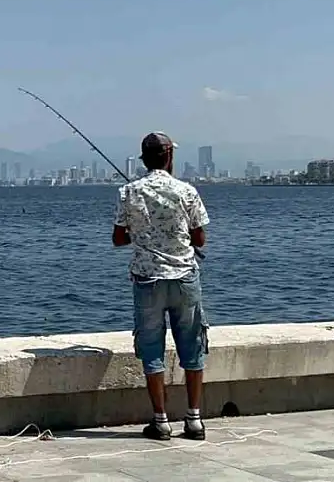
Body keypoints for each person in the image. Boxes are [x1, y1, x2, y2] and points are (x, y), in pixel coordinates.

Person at [112, 132, 210, 441]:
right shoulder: (187, 191)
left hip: (147, 280)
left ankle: (161, 420)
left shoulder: (128, 192)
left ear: (144, 159)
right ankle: (194, 420)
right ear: (169, 156)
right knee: (193, 346)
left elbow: (118, 239)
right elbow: (199, 239)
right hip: (184, 279)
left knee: (152, 349)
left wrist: (139, 236)